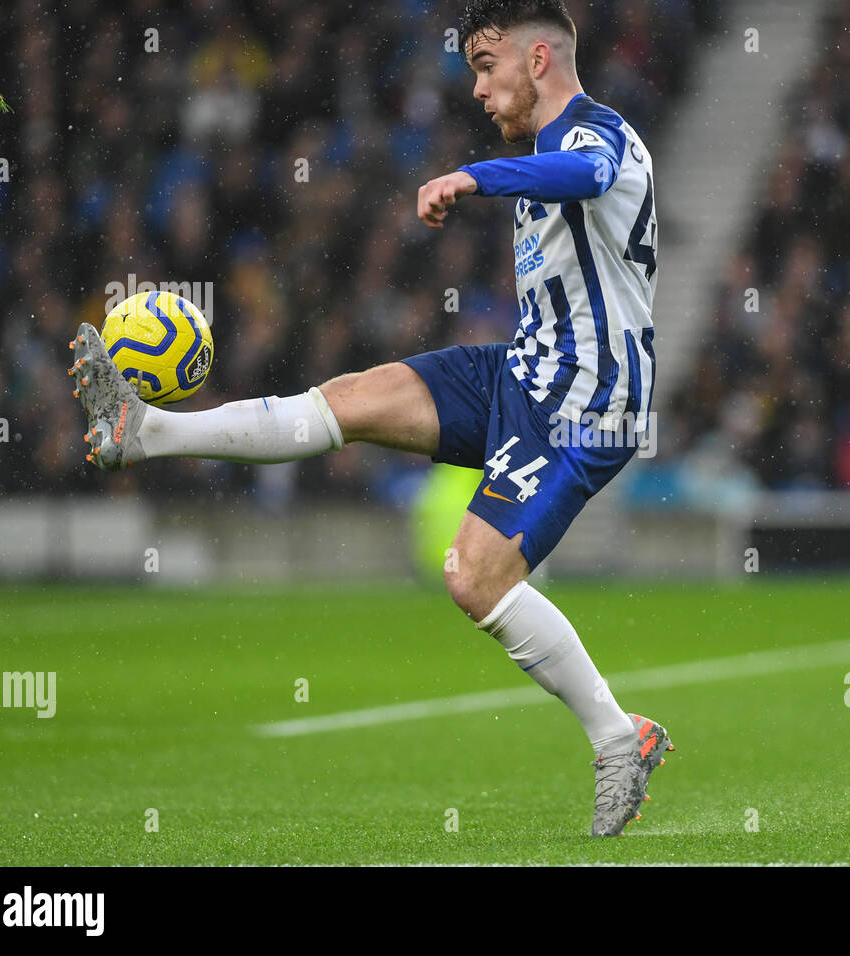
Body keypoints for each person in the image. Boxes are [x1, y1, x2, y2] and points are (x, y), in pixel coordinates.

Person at [69, 0, 670, 837]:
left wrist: (473, 177)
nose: (476, 89)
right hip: (522, 373)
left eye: (486, 68)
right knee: (346, 401)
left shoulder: (598, 136)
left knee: (473, 578)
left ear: (538, 60)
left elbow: (592, 175)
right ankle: (149, 433)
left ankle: (618, 739)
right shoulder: (543, 152)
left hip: (586, 402)